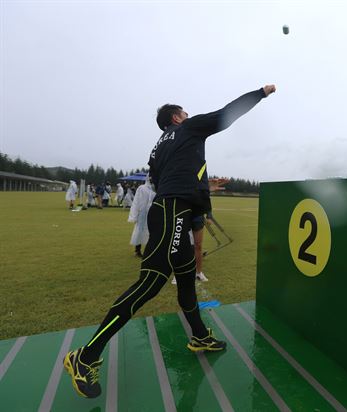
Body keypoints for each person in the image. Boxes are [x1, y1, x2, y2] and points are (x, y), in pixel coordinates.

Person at [63, 84, 276, 399]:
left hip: (169, 209)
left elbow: (169, 179)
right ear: (177, 117)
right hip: (174, 211)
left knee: (187, 278)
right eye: (185, 113)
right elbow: (226, 115)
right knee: (150, 283)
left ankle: (200, 336)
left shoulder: (159, 147)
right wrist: (260, 92)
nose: (189, 116)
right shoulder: (188, 128)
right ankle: (86, 355)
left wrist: (204, 184)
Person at [171, 209, 213, 284]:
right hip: (182, 216)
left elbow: (206, 199)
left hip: (198, 217)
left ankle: (198, 273)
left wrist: (209, 216)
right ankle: (177, 275)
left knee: (198, 246)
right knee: (180, 246)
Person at [128, 176, 155, 257]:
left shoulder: (157, 188)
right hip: (142, 214)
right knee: (140, 231)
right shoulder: (141, 188)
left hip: (153, 213)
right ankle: (137, 250)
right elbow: (136, 202)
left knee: (152, 232)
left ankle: (150, 251)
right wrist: (134, 215)